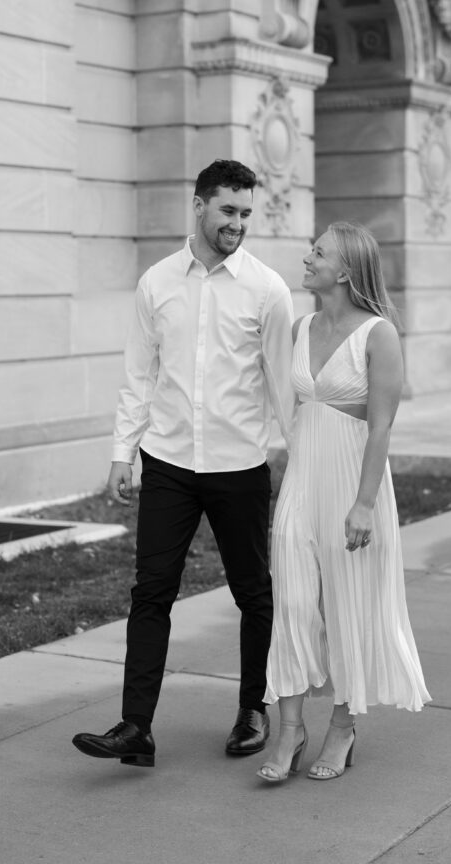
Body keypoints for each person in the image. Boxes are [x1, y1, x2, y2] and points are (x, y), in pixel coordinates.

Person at [72, 159, 295, 768]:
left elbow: (282, 383)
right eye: (228, 210)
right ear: (198, 206)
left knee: (254, 593)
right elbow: (138, 375)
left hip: (239, 465)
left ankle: (254, 710)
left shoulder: (268, 290)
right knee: (151, 593)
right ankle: (135, 727)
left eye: (246, 213)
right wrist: (123, 452)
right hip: (167, 460)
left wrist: (299, 456)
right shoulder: (157, 282)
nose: (237, 224)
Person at [257, 221, 430, 784]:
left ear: (347, 270)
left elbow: (380, 429)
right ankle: (289, 729)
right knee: (291, 604)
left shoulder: (379, 334)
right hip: (302, 482)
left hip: (354, 488)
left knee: (347, 609)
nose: (307, 258)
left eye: (319, 253)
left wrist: (363, 503)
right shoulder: (301, 325)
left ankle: (342, 725)